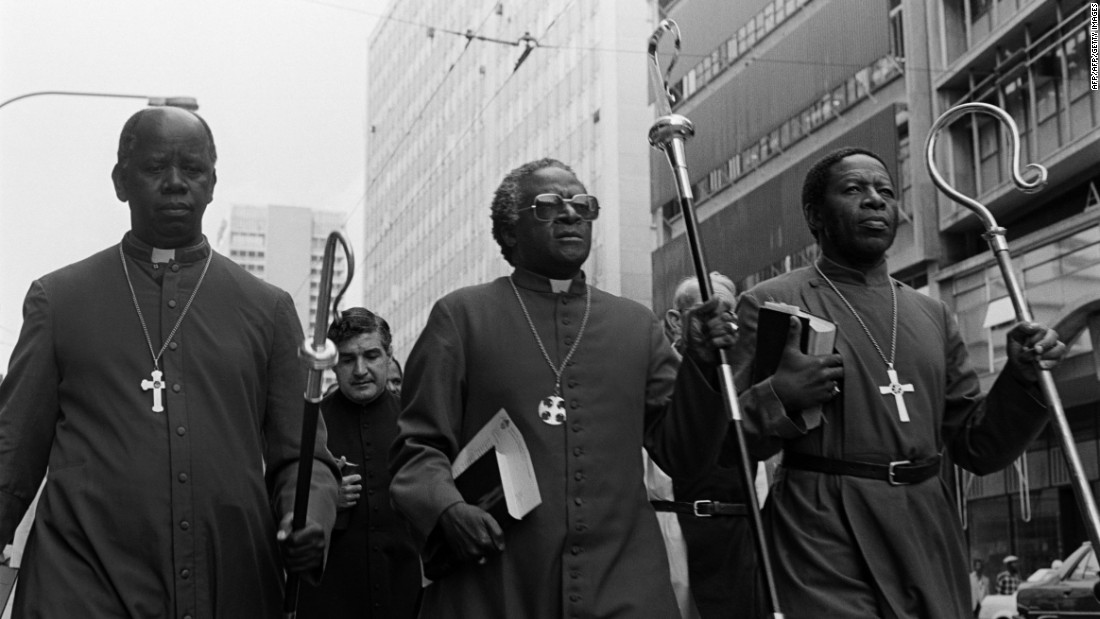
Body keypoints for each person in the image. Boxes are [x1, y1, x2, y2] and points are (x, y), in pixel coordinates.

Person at [0, 106, 338, 617]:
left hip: (230, 587)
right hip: (81, 587)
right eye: (157, 168)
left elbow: (303, 458)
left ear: (212, 182)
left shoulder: (267, 309)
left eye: (193, 170)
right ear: (121, 181)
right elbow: (13, 457)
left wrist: (307, 515)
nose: (177, 184)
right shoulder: (59, 300)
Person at [388, 158, 737, 618]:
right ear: (510, 232)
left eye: (582, 205)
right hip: (501, 582)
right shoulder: (462, 317)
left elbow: (685, 457)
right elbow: (419, 447)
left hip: (623, 581)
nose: (572, 214)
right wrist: (448, 509)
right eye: (550, 204)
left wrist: (703, 366)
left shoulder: (636, 325)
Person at [729, 146, 1066, 618]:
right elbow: (723, 453)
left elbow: (978, 447)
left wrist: (1022, 380)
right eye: (853, 189)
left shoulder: (931, 314)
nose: (875, 200)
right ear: (815, 215)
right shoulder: (769, 303)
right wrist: (778, 399)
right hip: (820, 530)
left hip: (925, 529)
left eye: (885, 191)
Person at [296, 308, 420, 618]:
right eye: (348, 359)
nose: (361, 370)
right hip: (329, 599)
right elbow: (281, 504)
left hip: (406, 594)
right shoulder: (309, 424)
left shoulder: (416, 419)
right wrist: (324, 500)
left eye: (371, 356)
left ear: (389, 356)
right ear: (333, 365)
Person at [660, 273, 763, 618]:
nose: (719, 320)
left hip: (739, 539)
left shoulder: (746, 372)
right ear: (676, 321)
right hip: (677, 537)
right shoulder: (657, 374)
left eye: (728, 312)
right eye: (705, 311)